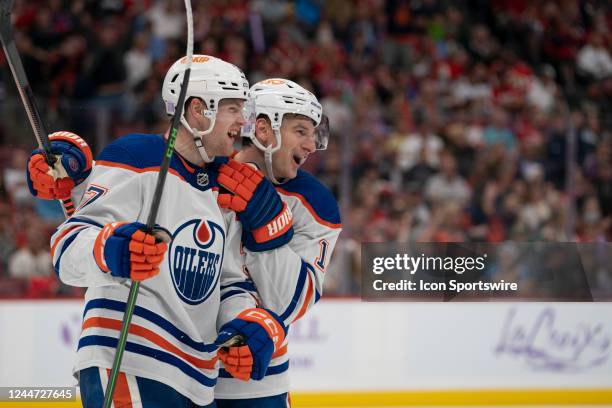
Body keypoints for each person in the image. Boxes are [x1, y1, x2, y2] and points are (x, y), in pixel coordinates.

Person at [30, 55, 293, 407]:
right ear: (198, 109)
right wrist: (112, 249)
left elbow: (229, 284)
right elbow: (68, 248)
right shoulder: (137, 157)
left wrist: (248, 323)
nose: (242, 122)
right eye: (233, 109)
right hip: (130, 361)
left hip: (196, 381)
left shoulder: (226, 188)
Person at [214, 79, 342, 407]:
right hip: (182, 366)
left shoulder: (315, 202)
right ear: (263, 129)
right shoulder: (204, 177)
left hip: (257, 376)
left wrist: (267, 229)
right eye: (301, 131)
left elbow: (295, 301)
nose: (312, 145)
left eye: (314, 133)